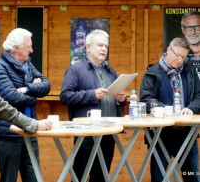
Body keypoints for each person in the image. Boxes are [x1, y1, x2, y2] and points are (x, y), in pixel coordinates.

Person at [60, 29, 127, 182]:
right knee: (80, 175)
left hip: (109, 131)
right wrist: (91, 94)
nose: (104, 49)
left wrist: (122, 99)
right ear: (88, 47)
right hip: (86, 132)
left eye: (106, 46)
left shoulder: (111, 71)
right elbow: (65, 97)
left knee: (101, 176)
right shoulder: (75, 70)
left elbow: (118, 101)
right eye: (100, 45)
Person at [0, 28, 51, 182]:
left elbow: (46, 85)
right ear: (16, 48)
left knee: (34, 178)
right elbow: (10, 97)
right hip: (9, 135)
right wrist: (34, 97)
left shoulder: (28, 65)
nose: (31, 50)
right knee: (9, 179)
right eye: (28, 46)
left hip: (31, 133)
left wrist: (27, 89)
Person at [140, 37, 200, 182]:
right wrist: (163, 109)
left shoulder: (190, 71)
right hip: (160, 135)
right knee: (158, 178)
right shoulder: (152, 72)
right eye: (177, 55)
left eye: (183, 57)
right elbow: (146, 99)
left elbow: (199, 95)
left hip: (187, 133)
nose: (180, 60)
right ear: (168, 50)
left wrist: (192, 108)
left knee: (192, 176)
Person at [181, 10, 200, 79]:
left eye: (197, 27)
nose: (192, 32)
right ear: (183, 30)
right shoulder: (174, 53)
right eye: (188, 28)